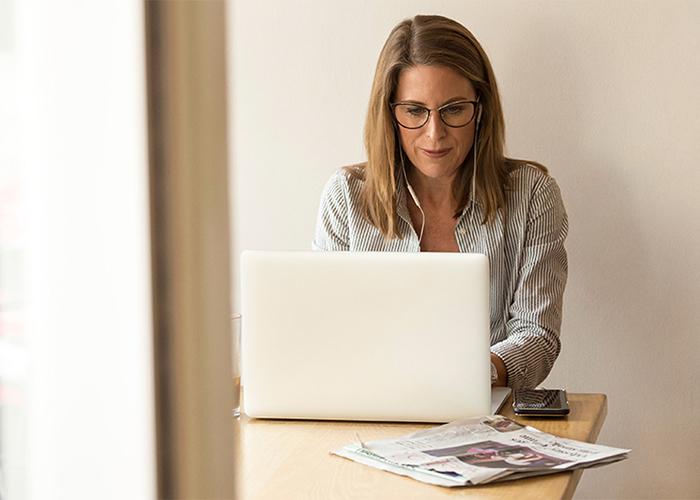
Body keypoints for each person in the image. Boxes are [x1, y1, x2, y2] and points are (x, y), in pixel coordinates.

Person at [312, 15, 567, 390]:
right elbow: (326, 331)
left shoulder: (532, 194)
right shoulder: (346, 196)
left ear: (480, 108)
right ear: (390, 113)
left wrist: (473, 374)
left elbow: (538, 335)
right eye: (415, 111)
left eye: (453, 109)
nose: (435, 134)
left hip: (487, 414)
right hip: (370, 408)